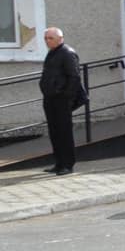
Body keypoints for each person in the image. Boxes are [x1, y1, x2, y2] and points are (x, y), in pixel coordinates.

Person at [38, 26, 84, 175]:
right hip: (50, 98)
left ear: (60, 39)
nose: (47, 41)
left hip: (62, 99)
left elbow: (74, 77)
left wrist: (66, 97)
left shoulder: (67, 53)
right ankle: (58, 163)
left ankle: (67, 165)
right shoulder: (52, 53)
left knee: (64, 132)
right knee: (54, 132)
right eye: (45, 38)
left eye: (50, 38)